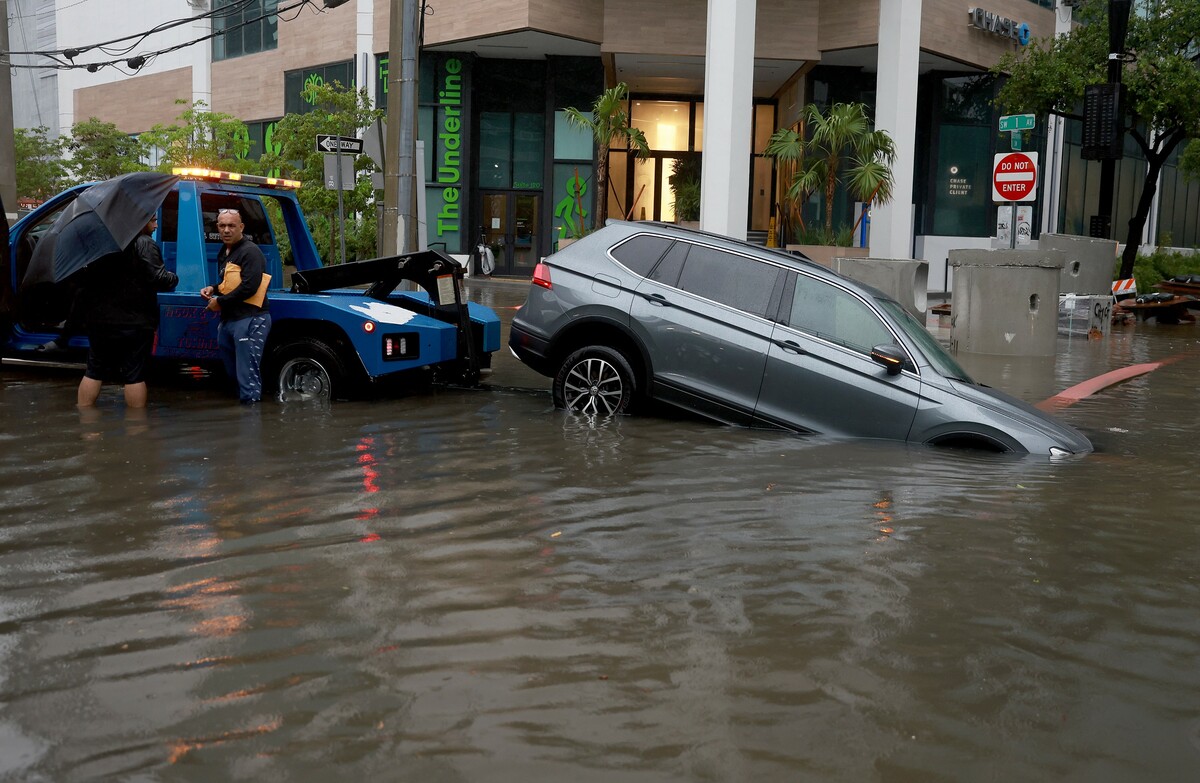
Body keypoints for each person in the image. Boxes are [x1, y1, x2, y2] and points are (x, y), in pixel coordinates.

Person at [76, 216, 178, 408]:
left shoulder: (100, 242)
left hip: (99, 320)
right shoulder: (144, 243)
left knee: (93, 370)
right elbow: (159, 278)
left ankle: (87, 426)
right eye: (152, 220)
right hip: (135, 322)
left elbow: (83, 279)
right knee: (134, 374)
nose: (156, 225)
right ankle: (136, 431)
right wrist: (173, 277)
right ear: (139, 222)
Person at [201, 208, 272, 404]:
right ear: (217, 227)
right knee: (233, 374)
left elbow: (250, 286)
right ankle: (243, 422)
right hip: (228, 321)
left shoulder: (250, 252)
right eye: (222, 226)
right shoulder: (224, 252)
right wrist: (213, 288)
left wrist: (219, 302)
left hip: (250, 319)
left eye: (231, 226)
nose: (226, 230)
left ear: (241, 227)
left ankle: (251, 420)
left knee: (247, 377)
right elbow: (228, 284)